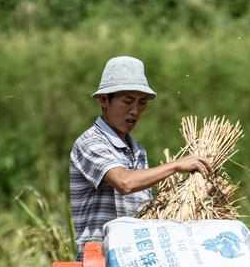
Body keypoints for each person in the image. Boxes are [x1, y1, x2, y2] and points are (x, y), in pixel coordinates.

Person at [70, 55, 211, 255]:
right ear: (104, 100)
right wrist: (176, 166)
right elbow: (125, 182)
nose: (135, 111)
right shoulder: (90, 142)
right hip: (100, 258)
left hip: (134, 257)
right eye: (127, 101)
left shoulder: (137, 150)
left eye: (142, 103)